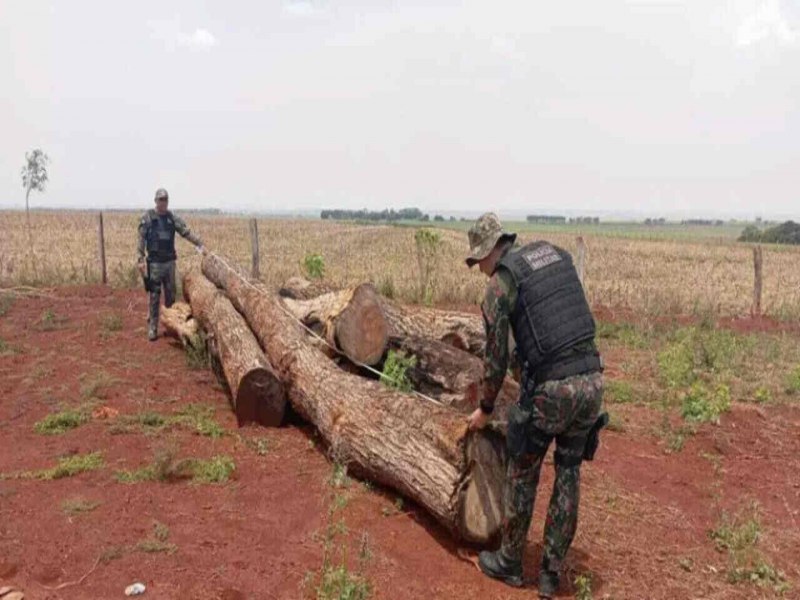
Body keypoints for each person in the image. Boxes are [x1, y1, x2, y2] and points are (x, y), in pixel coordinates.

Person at [465, 213, 606, 598]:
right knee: (569, 472)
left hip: (554, 391)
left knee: (523, 468)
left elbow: (494, 361)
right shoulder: (555, 254)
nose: (480, 270)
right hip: (593, 381)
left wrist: (486, 408)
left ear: (491, 251)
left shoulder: (499, 285)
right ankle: (550, 574)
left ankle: (509, 562)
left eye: (479, 261)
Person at [136, 188, 205, 341]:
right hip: (154, 264)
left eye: (165, 200)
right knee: (154, 297)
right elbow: (141, 239)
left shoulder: (171, 218)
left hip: (169, 263)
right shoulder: (147, 218)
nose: (163, 203)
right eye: (161, 200)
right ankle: (153, 327)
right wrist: (140, 258)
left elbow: (185, 232)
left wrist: (199, 243)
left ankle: (171, 327)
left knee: (170, 296)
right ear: (155, 201)